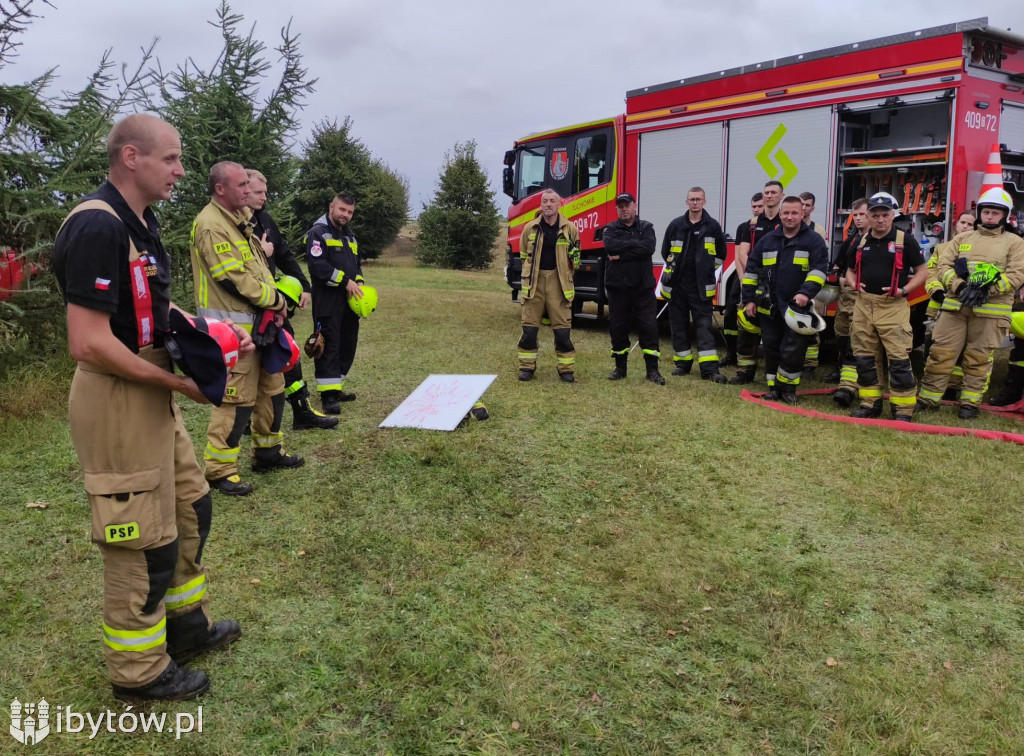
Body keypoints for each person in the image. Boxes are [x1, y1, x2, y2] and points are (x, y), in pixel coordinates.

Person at [53, 114, 244, 701]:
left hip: (152, 388)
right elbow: (87, 341)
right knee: (140, 536)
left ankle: (184, 627)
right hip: (116, 398)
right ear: (130, 157)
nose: (182, 170)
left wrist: (197, 335)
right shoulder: (96, 226)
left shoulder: (142, 223)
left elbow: (146, 311)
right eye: (171, 159)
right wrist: (183, 387)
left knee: (190, 507)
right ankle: (137, 672)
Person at [191, 161, 304, 496]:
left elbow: (259, 271)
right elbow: (234, 279)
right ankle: (219, 471)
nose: (248, 190)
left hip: (260, 327)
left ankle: (268, 451)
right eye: (241, 185)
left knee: (273, 389)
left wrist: (275, 307)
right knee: (235, 401)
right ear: (220, 189)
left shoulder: (240, 222)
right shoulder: (212, 225)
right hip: (233, 332)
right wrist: (277, 301)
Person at [917, 189, 1024, 418]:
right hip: (956, 307)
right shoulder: (962, 239)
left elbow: (1017, 275)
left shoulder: (1015, 243)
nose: (990, 217)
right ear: (980, 213)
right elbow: (943, 268)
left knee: (979, 358)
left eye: (995, 213)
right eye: (986, 212)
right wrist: (960, 287)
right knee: (940, 353)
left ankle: (970, 403)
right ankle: (928, 398)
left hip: (991, 312)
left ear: (1004, 215)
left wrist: (988, 291)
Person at [245, 169, 337, 431]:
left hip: (270, 304)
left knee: (290, 353)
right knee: (250, 369)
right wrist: (260, 252)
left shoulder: (264, 219)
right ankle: (243, 421)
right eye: (258, 192)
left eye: (265, 191)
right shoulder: (234, 224)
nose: (264, 197)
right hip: (247, 308)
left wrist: (305, 286)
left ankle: (301, 411)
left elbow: (284, 254)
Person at [844, 192, 928, 420]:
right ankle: (870, 404)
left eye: (885, 215)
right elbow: (849, 270)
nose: (880, 220)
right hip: (863, 305)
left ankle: (902, 409)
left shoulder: (904, 240)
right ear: (868, 217)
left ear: (893, 215)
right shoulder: (860, 241)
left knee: (899, 360)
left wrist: (905, 290)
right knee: (865, 358)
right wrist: (853, 284)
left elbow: (923, 272)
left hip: (893, 306)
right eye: (875, 215)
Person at [741, 195, 829, 403]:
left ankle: (788, 389)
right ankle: (773, 387)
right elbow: (752, 270)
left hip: (796, 306)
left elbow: (819, 270)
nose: (790, 217)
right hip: (768, 305)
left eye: (794, 213)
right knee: (771, 346)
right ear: (780, 214)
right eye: (786, 213)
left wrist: (805, 293)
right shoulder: (768, 240)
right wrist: (749, 299)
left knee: (793, 348)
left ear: (803, 214)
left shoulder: (813, 240)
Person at [304, 193, 366, 411]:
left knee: (347, 344)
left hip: (349, 301)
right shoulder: (317, 233)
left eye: (349, 212)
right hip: (327, 301)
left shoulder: (350, 236)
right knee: (327, 344)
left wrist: (358, 281)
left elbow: (356, 265)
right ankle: (327, 395)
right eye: (342, 210)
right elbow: (318, 267)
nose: (345, 215)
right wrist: (345, 281)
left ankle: (337, 387)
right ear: (331, 207)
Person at [661, 187, 729, 382]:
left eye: (698, 199)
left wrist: (706, 270)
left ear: (704, 202)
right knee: (678, 326)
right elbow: (667, 252)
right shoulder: (676, 225)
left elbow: (720, 255)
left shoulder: (712, 226)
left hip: (700, 288)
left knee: (704, 327)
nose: (695, 202)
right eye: (692, 199)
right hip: (678, 286)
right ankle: (682, 364)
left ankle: (709, 369)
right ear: (687, 202)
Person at [515, 188, 581, 382]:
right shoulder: (530, 228)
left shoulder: (570, 229)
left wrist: (572, 264)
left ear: (559, 204)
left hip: (558, 283)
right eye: (545, 201)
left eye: (552, 201)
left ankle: (566, 369)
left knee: (562, 330)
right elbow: (523, 256)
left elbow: (576, 259)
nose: (548, 205)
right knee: (529, 329)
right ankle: (526, 367)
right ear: (541, 205)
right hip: (534, 283)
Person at [602, 192, 664, 384]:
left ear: (635, 206)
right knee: (618, 328)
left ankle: (652, 371)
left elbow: (648, 248)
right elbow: (610, 247)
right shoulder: (610, 229)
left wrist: (622, 254)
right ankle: (620, 369)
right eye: (620, 206)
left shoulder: (647, 227)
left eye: (627, 205)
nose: (624, 209)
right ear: (617, 209)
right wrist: (635, 248)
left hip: (643, 289)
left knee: (649, 328)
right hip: (618, 289)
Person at [731, 180, 784, 384]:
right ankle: (745, 371)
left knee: (776, 331)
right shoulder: (751, 225)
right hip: (756, 283)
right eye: (766, 192)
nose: (769, 196)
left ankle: (775, 372)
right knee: (747, 328)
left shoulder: (786, 222)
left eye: (773, 192)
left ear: (781, 196)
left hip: (778, 286)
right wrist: (753, 277)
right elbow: (743, 254)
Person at [922, 211, 977, 399]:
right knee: (933, 346)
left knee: (962, 351)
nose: (965, 227)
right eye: (963, 222)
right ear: (956, 224)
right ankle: (932, 384)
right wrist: (936, 291)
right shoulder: (942, 248)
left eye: (970, 224)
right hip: (939, 305)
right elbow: (931, 273)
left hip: (967, 306)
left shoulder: (980, 252)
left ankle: (952, 388)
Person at [828, 198, 870, 406]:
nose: (858, 219)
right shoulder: (852, 240)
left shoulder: (875, 241)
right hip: (846, 299)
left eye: (862, 214)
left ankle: (848, 388)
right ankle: (841, 373)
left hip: (864, 300)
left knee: (857, 343)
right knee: (842, 338)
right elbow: (836, 265)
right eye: (856, 215)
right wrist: (839, 275)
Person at [723, 192, 764, 366]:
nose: (757, 210)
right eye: (754, 206)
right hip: (744, 276)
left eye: (760, 206)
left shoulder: (776, 226)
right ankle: (731, 354)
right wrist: (742, 280)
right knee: (731, 313)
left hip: (765, 279)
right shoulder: (744, 227)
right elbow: (739, 255)